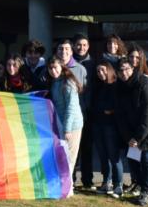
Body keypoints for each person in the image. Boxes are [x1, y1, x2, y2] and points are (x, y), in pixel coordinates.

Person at [115, 57, 148, 207]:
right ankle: (143, 187)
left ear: (133, 69)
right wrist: (129, 137)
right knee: (134, 159)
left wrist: (138, 137)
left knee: (147, 159)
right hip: (133, 131)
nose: (124, 73)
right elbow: (120, 115)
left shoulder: (145, 83)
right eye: (121, 70)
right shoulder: (120, 87)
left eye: (127, 69)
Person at [91, 60, 124, 198]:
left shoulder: (117, 85)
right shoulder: (98, 85)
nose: (101, 73)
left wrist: (110, 110)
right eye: (98, 71)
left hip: (111, 126)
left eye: (103, 70)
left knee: (114, 156)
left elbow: (120, 106)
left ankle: (118, 185)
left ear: (110, 70)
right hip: (98, 124)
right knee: (103, 156)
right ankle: (107, 182)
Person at [47, 56, 83, 177]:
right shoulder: (54, 82)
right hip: (60, 124)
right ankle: (63, 183)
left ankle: (68, 186)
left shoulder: (68, 82)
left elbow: (71, 107)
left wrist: (67, 129)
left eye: (55, 67)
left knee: (70, 157)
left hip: (72, 126)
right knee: (61, 156)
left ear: (61, 67)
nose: (53, 71)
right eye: (50, 68)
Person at [72, 34, 96, 190]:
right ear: (74, 46)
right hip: (73, 110)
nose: (81, 48)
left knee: (87, 147)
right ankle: (71, 178)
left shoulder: (93, 64)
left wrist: (89, 106)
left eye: (85, 45)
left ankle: (87, 179)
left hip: (89, 111)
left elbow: (94, 88)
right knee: (73, 148)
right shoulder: (68, 63)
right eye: (79, 45)